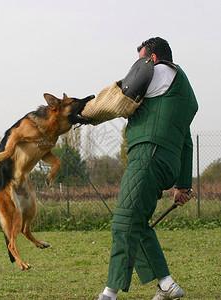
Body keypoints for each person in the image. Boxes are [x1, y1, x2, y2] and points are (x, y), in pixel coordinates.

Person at [98, 37, 198, 300]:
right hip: (163, 161)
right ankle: (166, 283)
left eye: (142, 59)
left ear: (152, 59)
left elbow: (119, 97)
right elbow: (186, 141)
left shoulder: (162, 71)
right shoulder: (180, 94)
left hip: (148, 154)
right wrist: (183, 184)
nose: (139, 66)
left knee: (123, 221)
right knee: (137, 220)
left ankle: (109, 293)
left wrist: (80, 114)